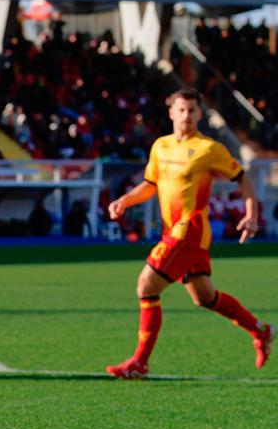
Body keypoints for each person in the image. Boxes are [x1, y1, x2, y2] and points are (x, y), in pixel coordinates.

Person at [106, 88, 273, 379]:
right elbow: (150, 184)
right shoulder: (161, 146)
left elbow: (242, 179)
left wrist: (251, 215)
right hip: (173, 230)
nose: (186, 116)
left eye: (192, 110)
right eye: (181, 110)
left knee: (146, 286)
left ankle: (139, 363)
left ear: (199, 114)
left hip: (190, 230)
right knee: (204, 296)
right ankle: (260, 331)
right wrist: (125, 200)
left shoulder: (209, 149)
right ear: (171, 112)